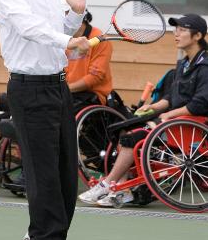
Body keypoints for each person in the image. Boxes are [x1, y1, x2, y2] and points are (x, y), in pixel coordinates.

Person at [0, 0, 90, 240]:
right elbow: (29, 28)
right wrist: (68, 40)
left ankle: (42, 236)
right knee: (44, 171)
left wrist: (76, 14)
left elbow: (60, 28)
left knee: (67, 169)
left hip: (58, 88)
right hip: (28, 89)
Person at [79, 13, 208, 207]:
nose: (176, 34)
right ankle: (121, 186)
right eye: (176, 29)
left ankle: (107, 183)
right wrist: (153, 107)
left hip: (190, 129)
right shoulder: (183, 65)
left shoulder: (205, 66)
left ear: (197, 36)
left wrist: (168, 115)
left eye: (182, 30)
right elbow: (171, 98)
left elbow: (199, 104)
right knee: (122, 127)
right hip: (173, 122)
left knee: (133, 138)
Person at [65, 9, 113, 112]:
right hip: (67, 93)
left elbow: (95, 77)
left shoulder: (100, 39)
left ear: (79, 17)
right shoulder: (63, 39)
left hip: (92, 95)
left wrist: (65, 89)